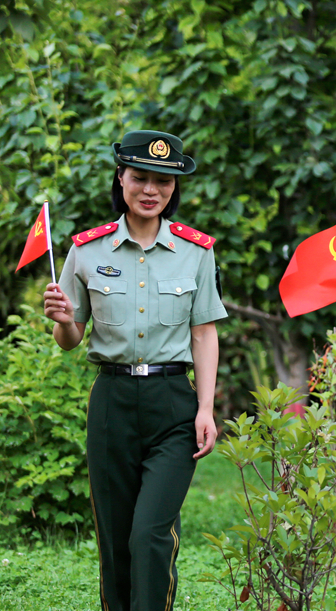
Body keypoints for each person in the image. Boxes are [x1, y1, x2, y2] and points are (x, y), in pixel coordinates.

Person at [42, 130, 226, 611]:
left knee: (149, 533)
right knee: (116, 539)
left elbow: (204, 333)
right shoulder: (87, 250)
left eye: (163, 181)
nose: (151, 190)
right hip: (112, 404)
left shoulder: (196, 250)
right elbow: (71, 338)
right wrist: (62, 320)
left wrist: (206, 408)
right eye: (140, 177)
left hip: (173, 403)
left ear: (174, 187)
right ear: (120, 177)